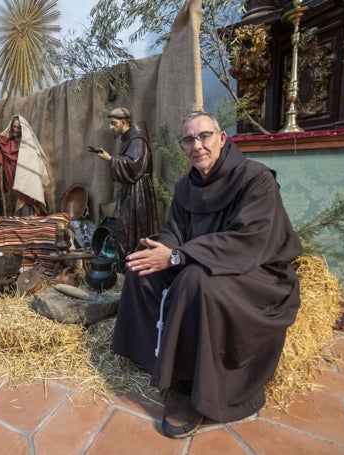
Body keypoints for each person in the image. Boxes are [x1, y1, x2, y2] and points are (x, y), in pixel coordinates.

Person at [112, 111, 302, 439]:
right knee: (140, 270)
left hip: (256, 273)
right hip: (201, 261)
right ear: (183, 147)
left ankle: (191, 389)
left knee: (193, 281)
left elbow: (248, 241)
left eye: (204, 136)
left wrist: (177, 255)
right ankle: (159, 360)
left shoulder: (255, 179)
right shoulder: (186, 187)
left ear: (222, 138)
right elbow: (174, 231)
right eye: (189, 139)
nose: (197, 145)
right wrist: (162, 251)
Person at [89, 107, 159, 270]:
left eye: (114, 124)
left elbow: (134, 166)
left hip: (138, 193)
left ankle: (134, 266)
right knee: (127, 228)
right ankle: (126, 265)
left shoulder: (137, 140)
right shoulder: (129, 139)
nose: (111, 127)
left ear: (124, 122)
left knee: (131, 228)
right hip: (132, 191)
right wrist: (111, 159)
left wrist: (110, 159)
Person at [0, 115, 50, 216]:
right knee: (17, 207)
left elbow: (33, 163)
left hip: (28, 180)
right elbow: (0, 144)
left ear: (22, 129)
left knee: (28, 206)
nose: (16, 130)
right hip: (14, 179)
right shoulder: (9, 143)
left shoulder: (28, 144)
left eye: (18, 127)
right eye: (14, 127)